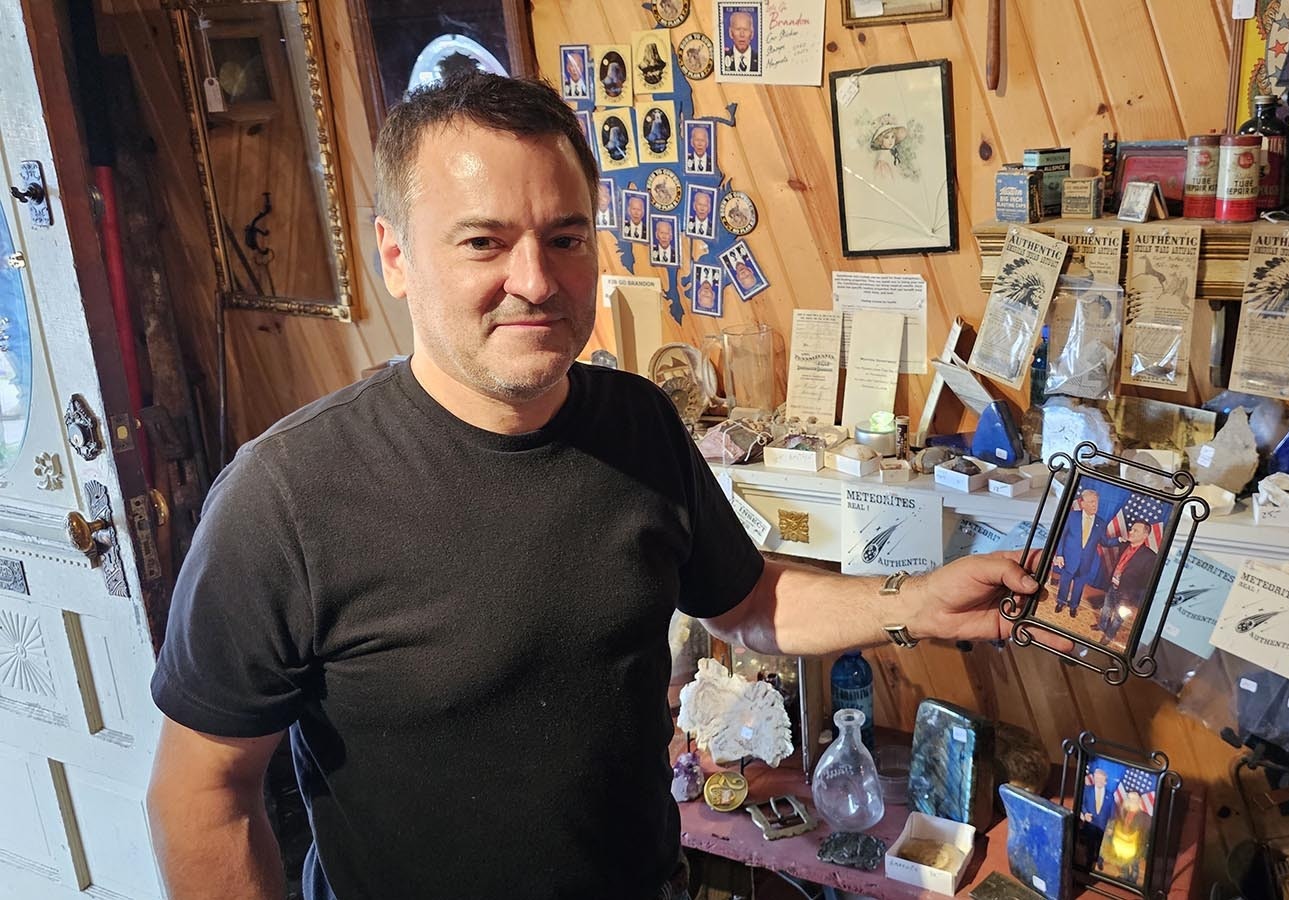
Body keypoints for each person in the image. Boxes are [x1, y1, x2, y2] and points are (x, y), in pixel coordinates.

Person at [145, 73, 1046, 900]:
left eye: (565, 237)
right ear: (395, 256)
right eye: (483, 242)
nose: (534, 281)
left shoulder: (639, 422)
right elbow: (200, 792)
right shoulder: (286, 499)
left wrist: (917, 601)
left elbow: (750, 603)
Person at [1097, 519, 1158, 645]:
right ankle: (1102, 626)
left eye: (1136, 530)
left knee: (1119, 617)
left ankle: (1109, 635)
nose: (1131, 532)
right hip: (1113, 585)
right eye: (1131, 529)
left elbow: (1145, 581)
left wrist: (1133, 598)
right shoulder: (1124, 545)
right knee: (1107, 608)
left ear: (1145, 535)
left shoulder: (1150, 556)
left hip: (1127, 594)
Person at [1052, 488, 1108, 616]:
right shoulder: (1072, 516)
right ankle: (1061, 602)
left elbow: (1105, 542)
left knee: (1079, 585)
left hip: (1086, 562)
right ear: (1082, 504)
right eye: (1091, 502)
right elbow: (1062, 536)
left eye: (1096, 502)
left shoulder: (1101, 523)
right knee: (1065, 582)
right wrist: (1059, 554)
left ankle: (1073, 606)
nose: (1095, 505)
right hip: (1069, 558)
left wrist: (1120, 540)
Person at [1077, 766, 1117, 867]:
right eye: (1096, 778)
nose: (1098, 780)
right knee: (1090, 844)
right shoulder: (1087, 790)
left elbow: (1112, 813)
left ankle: (1099, 860)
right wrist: (1085, 814)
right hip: (1090, 824)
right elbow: (1082, 804)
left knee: (1100, 845)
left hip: (1103, 826)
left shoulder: (1110, 795)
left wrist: (1111, 827)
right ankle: (1089, 861)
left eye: (1101, 779)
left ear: (1105, 781)